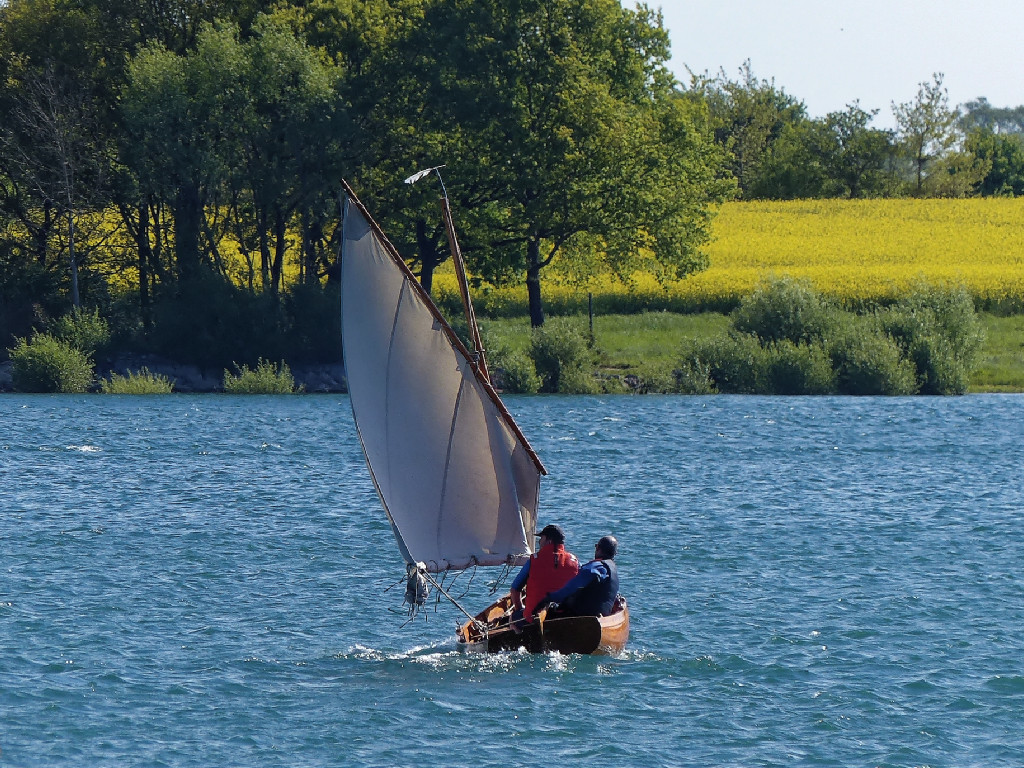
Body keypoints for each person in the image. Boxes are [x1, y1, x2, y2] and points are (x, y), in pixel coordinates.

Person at [509, 524, 579, 624]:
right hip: (565, 617)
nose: (539, 542)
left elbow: (515, 590)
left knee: (513, 617)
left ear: (548, 540)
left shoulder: (533, 560)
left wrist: (520, 609)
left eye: (541, 538)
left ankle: (520, 631)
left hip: (534, 619)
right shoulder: (575, 561)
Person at [540, 535, 620, 617]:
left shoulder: (594, 568)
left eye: (596, 546)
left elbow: (570, 588)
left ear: (598, 548)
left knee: (550, 609)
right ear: (614, 554)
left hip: (582, 616)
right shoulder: (613, 569)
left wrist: (548, 597)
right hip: (603, 615)